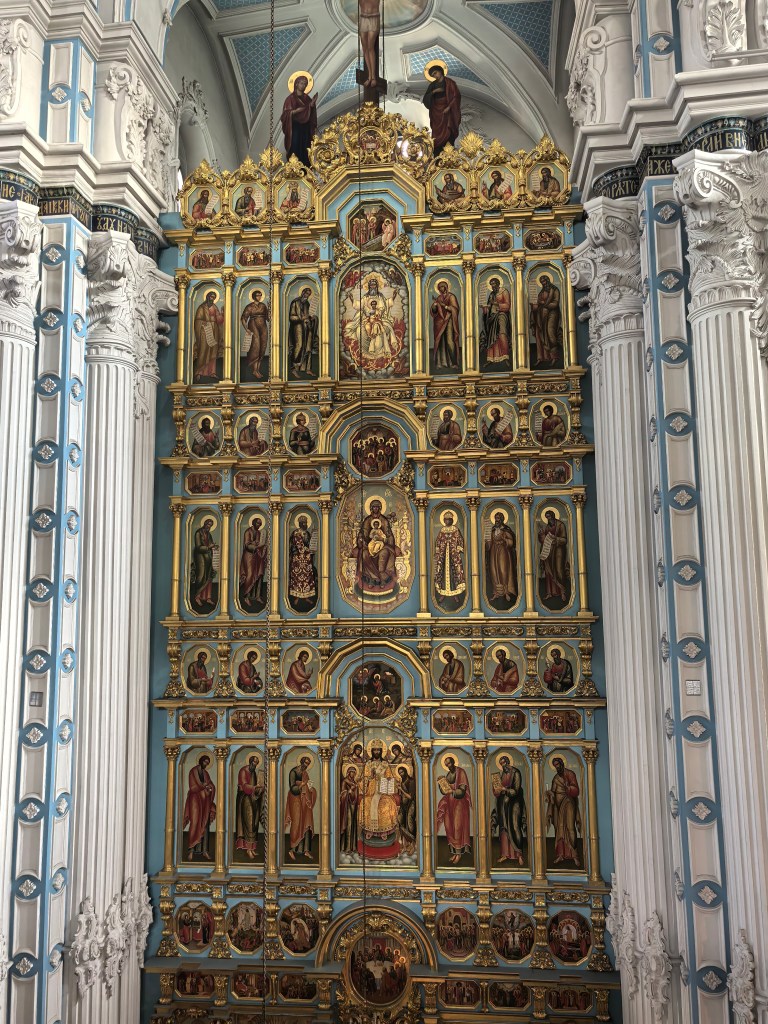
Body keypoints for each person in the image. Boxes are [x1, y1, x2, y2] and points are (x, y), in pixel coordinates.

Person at [351, 498, 401, 597]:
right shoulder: (367, 520)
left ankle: (383, 578)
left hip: (383, 545)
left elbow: (388, 535)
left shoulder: (384, 520)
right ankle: (374, 579)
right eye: (374, 507)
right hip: (370, 545)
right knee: (364, 554)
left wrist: (385, 541)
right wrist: (362, 541)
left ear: (380, 508)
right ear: (371, 508)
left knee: (384, 554)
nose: (375, 509)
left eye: (377, 507)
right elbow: (363, 533)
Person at [436, 756, 472, 864]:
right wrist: (441, 783)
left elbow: (462, 791)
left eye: (449, 763)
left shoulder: (461, 772)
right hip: (449, 803)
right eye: (446, 764)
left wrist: (451, 791)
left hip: (459, 804)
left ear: (453, 762)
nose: (448, 766)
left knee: (457, 827)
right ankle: (455, 853)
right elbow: (444, 791)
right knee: (449, 827)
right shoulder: (448, 775)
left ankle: (459, 853)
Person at [546, 757, 581, 866]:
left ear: (562, 764)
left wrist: (568, 788)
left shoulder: (570, 774)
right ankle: (560, 854)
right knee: (559, 829)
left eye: (558, 764)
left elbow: (576, 790)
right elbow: (553, 792)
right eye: (555, 766)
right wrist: (549, 794)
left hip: (568, 802)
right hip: (557, 806)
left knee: (570, 828)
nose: (557, 767)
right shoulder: (556, 778)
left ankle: (575, 855)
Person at [423, 63, 461, 156]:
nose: (435, 76)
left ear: (440, 71)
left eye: (435, 73)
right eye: (433, 75)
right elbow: (425, 99)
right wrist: (434, 91)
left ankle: (448, 151)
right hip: (436, 111)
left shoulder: (450, 83)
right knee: (436, 132)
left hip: (447, 111)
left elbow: (456, 96)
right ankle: (437, 154)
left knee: (448, 129)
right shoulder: (432, 85)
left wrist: (449, 107)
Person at [494, 755, 525, 865]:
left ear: (508, 762)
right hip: (503, 805)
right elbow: (498, 792)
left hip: (514, 805)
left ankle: (519, 854)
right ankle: (505, 854)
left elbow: (516, 790)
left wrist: (504, 789)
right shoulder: (502, 774)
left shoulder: (516, 773)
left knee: (515, 827)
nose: (503, 766)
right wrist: (497, 789)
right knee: (504, 828)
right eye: (501, 764)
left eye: (504, 763)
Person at [183, 754, 216, 860]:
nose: (205, 764)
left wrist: (210, 787)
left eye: (207, 763)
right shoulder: (193, 772)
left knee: (205, 824)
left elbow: (211, 785)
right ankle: (191, 851)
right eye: (205, 762)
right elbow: (193, 787)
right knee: (195, 823)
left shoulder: (206, 773)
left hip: (205, 801)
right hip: (195, 800)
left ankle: (205, 851)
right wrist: (204, 786)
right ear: (201, 761)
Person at [280, 74, 317, 166]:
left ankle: (306, 166)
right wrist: (295, 111)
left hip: (306, 128)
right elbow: (285, 115)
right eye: (301, 83)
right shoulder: (290, 99)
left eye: (305, 84)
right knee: (295, 145)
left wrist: (312, 105)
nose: (303, 86)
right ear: (296, 84)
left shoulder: (307, 98)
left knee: (306, 147)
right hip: (294, 127)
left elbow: (311, 113)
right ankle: (294, 165)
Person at [433, 510, 466, 610]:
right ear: (444, 520)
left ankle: (455, 594)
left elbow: (460, 540)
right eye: (446, 519)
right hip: (443, 556)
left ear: (452, 520)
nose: (447, 521)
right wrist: (438, 550)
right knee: (442, 573)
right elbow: (438, 541)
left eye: (449, 519)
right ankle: (443, 593)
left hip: (453, 556)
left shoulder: (455, 530)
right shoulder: (442, 530)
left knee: (454, 573)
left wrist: (458, 548)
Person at [285, 755, 316, 860]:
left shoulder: (305, 773)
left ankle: (306, 850)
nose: (306, 765)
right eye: (305, 763)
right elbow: (293, 788)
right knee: (297, 823)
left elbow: (308, 785)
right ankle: (292, 849)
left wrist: (311, 790)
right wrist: (301, 785)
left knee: (306, 824)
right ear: (301, 762)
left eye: (308, 764)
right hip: (295, 800)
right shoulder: (293, 772)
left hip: (305, 802)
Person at [485, 510, 518, 607]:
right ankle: (496, 592)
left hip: (503, 552)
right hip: (493, 552)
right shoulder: (492, 529)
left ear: (502, 519)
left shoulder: (506, 529)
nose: (497, 520)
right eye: (496, 518)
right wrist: (487, 542)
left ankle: (506, 591)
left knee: (503, 571)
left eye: (498, 518)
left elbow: (511, 542)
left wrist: (505, 540)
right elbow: (488, 544)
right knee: (494, 571)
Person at [235, 755, 264, 860]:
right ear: (250, 761)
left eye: (257, 763)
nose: (255, 764)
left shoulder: (254, 772)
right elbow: (244, 785)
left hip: (253, 799)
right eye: (254, 762)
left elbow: (254, 787)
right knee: (249, 823)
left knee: (254, 823)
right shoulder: (243, 771)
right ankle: (248, 849)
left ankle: (252, 848)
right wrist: (255, 787)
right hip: (245, 799)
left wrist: (260, 788)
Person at [530, 275, 563, 367]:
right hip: (541, 315)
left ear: (548, 280)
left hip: (552, 314)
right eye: (541, 282)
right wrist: (534, 306)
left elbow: (555, 303)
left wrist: (544, 304)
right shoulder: (541, 292)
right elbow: (539, 303)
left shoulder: (554, 290)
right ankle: (541, 357)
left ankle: (554, 357)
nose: (543, 283)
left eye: (544, 281)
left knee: (550, 332)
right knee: (539, 334)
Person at [538, 509, 569, 606]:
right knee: (548, 572)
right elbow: (544, 541)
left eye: (549, 517)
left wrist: (555, 539)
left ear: (553, 516)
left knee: (559, 570)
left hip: (559, 551)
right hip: (549, 551)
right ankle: (549, 592)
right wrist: (541, 535)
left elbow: (564, 540)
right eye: (547, 517)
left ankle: (562, 591)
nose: (548, 519)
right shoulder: (547, 527)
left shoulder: (560, 525)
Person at [288, 514, 317, 611]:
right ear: (300, 524)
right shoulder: (297, 533)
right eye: (304, 523)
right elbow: (300, 546)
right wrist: (309, 550)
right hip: (298, 559)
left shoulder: (307, 533)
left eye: (306, 523)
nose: (306, 524)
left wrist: (313, 543)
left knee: (307, 578)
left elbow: (310, 544)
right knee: (297, 578)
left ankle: (306, 596)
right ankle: (297, 597)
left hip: (307, 559)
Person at [193, 292, 224, 382]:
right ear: (207, 297)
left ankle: (212, 372)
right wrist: (203, 323)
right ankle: (199, 372)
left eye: (214, 297)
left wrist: (223, 314)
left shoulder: (215, 307)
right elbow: (197, 320)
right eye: (211, 297)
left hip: (214, 330)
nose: (212, 299)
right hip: (205, 331)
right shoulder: (202, 307)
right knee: (203, 350)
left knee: (213, 351)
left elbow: (219, 320)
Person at [481, 277, 512, 365]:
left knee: (502, 334)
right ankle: (491, 359)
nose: (493, 286)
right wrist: (485, 308)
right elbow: (489, 307)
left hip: (502, 314)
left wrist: (495, 304)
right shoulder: (491, 294)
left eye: (494, 284)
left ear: (498, 283)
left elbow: (507, 305)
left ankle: (505, 356)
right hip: (492, 317)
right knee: (491, 337)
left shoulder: (504, 291)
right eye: (491, 285)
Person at [239, 515, 267, 611]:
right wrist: (256, 545)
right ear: (254, 523)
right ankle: (246, 596)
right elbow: (247, 545)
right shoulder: (248, 532)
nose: (259, 525)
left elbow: (259, 543)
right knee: (250, 575)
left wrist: (263, 547)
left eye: (260, 524)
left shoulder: (259, 532)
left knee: (259, 574)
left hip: (257, 556)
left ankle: (257, 596)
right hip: (249, 556)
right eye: (258, 523)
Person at [288, 286, 318, 376]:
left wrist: (311, 318)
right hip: (298, 328)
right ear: (302, 293)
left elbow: (308, 315)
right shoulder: (295, 302)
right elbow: (291, 317)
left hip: (307, 328)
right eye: (306, 293)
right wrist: (302, 318)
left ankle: (307, 369)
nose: (307, 296)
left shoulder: (307, 304)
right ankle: (294, 368)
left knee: (308, 347)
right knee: (299, 346)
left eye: (309, 294)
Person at [431, 280, 461, 370]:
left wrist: (445, 306)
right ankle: (442, 363)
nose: (441, 289)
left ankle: (454, 362)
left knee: (449, 341)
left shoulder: (451, 296)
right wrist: (434, 306)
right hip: (440, 322)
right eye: (439, 288)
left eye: (442, 287)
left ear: (446, 287)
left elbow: (455, 309)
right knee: (440, 341)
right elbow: (434, 312)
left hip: (449, 320)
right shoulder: (439, 298)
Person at [240, 288, 269, 380]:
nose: (259, 297)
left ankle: (257, 370)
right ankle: (254, 370)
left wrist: (270, 309)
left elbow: (268, 318)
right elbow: (243, 318)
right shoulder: (249, 307)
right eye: (257, 295)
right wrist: (246, 329)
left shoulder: (263, 306)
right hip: (253, 325)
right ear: (253, 296)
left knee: (263, 346)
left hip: (263, 326)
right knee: (255, 347)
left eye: (260, 295)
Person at [191, 518, 217, 610]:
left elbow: (210, 543)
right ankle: (197, 597)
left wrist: (214, 546)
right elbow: (198, 547)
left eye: (211, 525)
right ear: (205, 524)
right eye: (208, 525)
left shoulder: (208, 534)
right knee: (201, 576)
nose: (209, 527)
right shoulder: (198, 533)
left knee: (209, 576)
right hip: (200, 558)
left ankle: (208, 597)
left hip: (208, 557)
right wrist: (208, 547)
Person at [358, 0, 381, 88]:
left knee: (370, 47)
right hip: (363, 18)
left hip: (374, 18)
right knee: (365, 48)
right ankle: (369, 76)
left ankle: (373, 77)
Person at [339, 765, 360, 854]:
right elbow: (342, 794)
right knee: (348, 824)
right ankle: (346, 847)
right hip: (346, 805)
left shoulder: (354, 782)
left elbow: (356, 793)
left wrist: (355, 790)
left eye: (355, 773)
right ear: (348, 772)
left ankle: (353, 846)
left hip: (353, 805)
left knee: (353, 825)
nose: (353, 774)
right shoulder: (344, 781)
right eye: (352, 772)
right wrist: (348, 792)